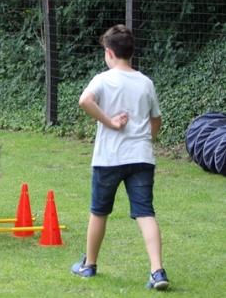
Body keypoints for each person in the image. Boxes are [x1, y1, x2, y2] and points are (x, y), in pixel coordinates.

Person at [71, 24, 169, 291]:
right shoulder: (145, 82)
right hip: (141, 157)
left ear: (109, 52)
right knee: (145, 212)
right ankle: (157, 271)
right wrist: (148, 140)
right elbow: (156, 119)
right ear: (131, 52)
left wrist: (110, 122)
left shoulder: (103, 79)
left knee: (99, 212)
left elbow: (85, 101)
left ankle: (89, 265)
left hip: (109, 158)